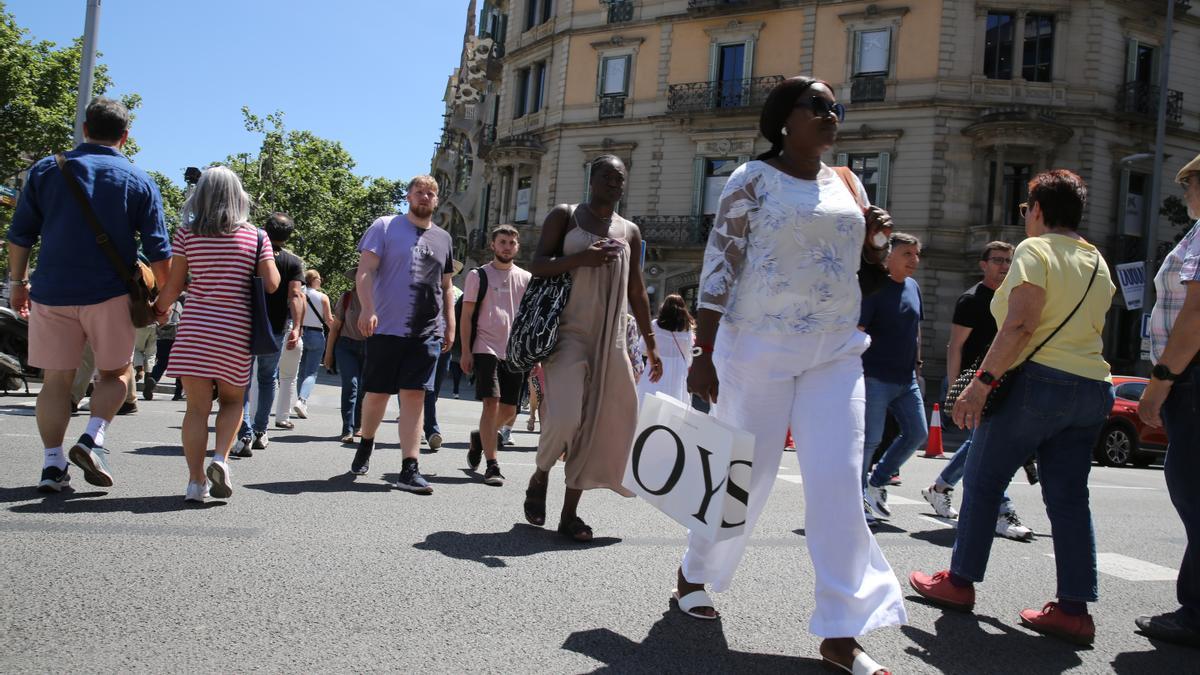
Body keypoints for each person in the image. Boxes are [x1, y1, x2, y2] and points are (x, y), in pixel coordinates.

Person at [679, 76, 904, 674]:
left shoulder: (848, 182)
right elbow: (720, 264)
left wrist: (877, 246)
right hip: (757, 347)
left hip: (835, 351)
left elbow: (867, 274)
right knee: (747, 476)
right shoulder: (751, 179)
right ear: (785, 119)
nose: (832, 116)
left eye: (837, 108)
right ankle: (694, 572)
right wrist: (703, 353)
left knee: (837, 483)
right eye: (819, 106)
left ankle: (842, 630)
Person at [910, 169, 1115, 646]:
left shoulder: (1035, 250)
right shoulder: (1096, 259)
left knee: (982, 482)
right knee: (1068, 498)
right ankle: (1073, 609)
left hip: (1038, 382)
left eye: (1027, 208)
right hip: (1091, 386)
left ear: (1039, 209)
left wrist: (981, 384)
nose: (1026, 217)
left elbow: (1021, 324)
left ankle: (959, 582)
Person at [6, 97, 171, 492]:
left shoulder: (46, 169)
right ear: (125, 136)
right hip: (110, 294)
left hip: (52, 291)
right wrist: (162, 301)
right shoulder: (138, 179)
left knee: (56, 382)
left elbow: (20, 235)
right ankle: (92, 438)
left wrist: (18, 283)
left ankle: (51, 465)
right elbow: (160, 252)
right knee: (115, 373)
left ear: (84, 128)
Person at [523, 155, 662, 541]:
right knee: (565, 417)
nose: (614, 182)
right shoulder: (565, 215)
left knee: (598, 424)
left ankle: (569, 515)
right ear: (592, 178)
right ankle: (541, 471)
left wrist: (651, 344)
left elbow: (637, 290)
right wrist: (582, 258)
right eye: (606, 175)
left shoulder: (629, 230)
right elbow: (537, 264)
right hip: (568, 332)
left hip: (612, 337)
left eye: (620, 177)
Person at [152, 166, 280, 502]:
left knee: (196, 409)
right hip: (235, 331)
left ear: (201, 196)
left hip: (195, 328)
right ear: (239, 196)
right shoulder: (256, 236)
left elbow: (174, 286)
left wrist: (157, 309)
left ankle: (195, 482)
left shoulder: (187, 235)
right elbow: (272, 283)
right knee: (233, 401)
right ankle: (221, 458)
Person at [350, 175, 455, 493]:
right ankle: (366, 443)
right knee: (378, 395)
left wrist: (449, 323)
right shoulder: (384, 226)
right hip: (386, 327)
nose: (425, 197)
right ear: (409, 196)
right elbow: (365, 270)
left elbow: (447, 286)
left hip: (426, 332)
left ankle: (409, 468)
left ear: (437, 201)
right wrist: (368, 309)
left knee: (415, 396)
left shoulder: (444, 238)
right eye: (419, 192)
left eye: (431, 194)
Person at [922, 241, 1033, 541]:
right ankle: (1001, 510)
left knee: (980, 444)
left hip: (1003, 382)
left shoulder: (1014, 297)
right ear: (983, 264)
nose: (1004, 266)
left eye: (1009, 260)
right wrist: (955, 388)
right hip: (974, 385)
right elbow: (955, 346)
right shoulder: (971, 300)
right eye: (997, 260)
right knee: (988, 446)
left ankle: (940, 487)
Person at [1134, 153, 1200, 648]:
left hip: (1193, 379)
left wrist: (1160, 381)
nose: (1185, 194)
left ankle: (1195, 612)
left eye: (1190, 184)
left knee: (1192, 492)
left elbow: (1195, 316)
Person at [859, 232, 929, 523]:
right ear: (889, 256)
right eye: (907, 254)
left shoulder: (913, 287)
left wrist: (918, 365)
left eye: (916, 254)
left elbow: (916, 329)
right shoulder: (874, 288)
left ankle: (878, 481)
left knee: (918, 433)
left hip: (906, 379)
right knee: (870, 441)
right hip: (875, 377)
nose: (914, 260)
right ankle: (857, 495)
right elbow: (859, 331)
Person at [461, 225, 532, 486]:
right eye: (502, 242)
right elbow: (466, 316)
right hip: (485, 346)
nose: (507, 247)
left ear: (517, 247)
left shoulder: (526, 278)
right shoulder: (477, 276)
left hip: (514, 351)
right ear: (493, 245)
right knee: (491, 402)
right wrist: (466, 351)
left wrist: (532, 355)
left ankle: (480, 438)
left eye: (511, 243)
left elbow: (528, 320)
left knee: (511, 410)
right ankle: (492, 465)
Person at [232, 213, 304, 455]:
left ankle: (245, 432)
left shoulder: (250, 255)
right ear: (289, 236)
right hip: (274, 327)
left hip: (245, 324)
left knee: (241, 379)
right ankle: (261, 431)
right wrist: (296, 327)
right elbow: (295, 296)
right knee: (267, 378)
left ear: (263, 230)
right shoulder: (293, 262)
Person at [423, 260, 464, 449]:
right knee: (427, 386)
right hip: (425, 339)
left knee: (436, 384)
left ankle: (423, 419)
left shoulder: (457, 294)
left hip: (446, 342)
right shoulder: (425, 288)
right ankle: (431, 429)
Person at [323, 273, 367, 444]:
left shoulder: (378, 299)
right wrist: (328, 354)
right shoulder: (347, 297)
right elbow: (335, 328)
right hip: (346, 346)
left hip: (369, 348)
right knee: (351, 384)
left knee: (364, 387)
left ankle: (359, 425)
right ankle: (347, 429)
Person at [636, 293, 694, 405]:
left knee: (648, 405)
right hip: (677, 374)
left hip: (656, 369)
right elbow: (688, 357)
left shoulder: (654, 326)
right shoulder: (687, 330)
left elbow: (643, 348)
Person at [294, 269, 333, 419]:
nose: (321, 281)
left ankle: (300, 401)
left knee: (301, 370)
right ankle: (302, 400)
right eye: (319, 279)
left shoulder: (299, 293)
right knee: (311, 372)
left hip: (300, 333)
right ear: (314, 280)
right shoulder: (323, 297)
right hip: (316, 334)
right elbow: (329, 319)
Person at [144, 292, 185, 401]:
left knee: (162, 362)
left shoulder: (162, 297)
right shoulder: (184, 299)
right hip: (176, 337)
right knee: (180, 364)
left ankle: (153, 378)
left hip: (161, 336)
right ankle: (178, 392)